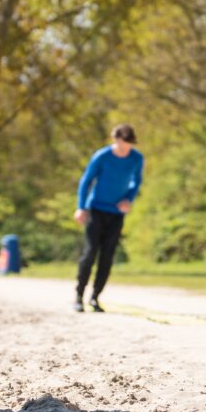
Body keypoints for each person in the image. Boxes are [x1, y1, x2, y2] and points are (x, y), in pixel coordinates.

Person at [73, 124, 144, 312]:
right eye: (122, 143)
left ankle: (95, 297)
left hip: (116, 213)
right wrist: (81, 207)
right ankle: (79, 296)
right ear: (116, 139)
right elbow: (86, 181)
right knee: (90, 253)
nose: (125, 147)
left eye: (129, 143)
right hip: (95, 210)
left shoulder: (137, 158)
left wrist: (128, 199)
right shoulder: (102, 156)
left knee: (107, 256)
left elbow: (137, 182)